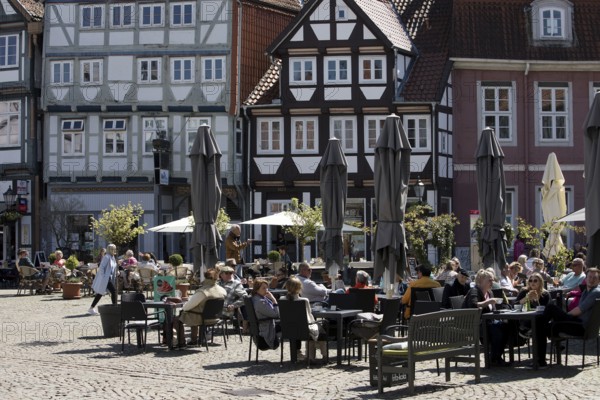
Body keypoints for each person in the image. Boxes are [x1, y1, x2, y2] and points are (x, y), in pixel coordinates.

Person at [533, 267, 600, 369]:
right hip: (578, 324)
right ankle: (540, 361)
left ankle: (540, 361)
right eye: (589, 277)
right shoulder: (587, 291)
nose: (591, 279)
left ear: (599, 280)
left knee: (550, 309)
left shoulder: (595, 292)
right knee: (541, 326)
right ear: (585, 278)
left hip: (580, 327)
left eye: (594, 278)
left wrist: (562, 316)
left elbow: (578, 310)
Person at [463, 269, 510, 366]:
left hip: (488, 322)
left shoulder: (490, 293)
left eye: (493, 280)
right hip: (475, 324)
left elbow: (491, 311)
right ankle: (493, 358)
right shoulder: (474, 291)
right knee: (497, 329)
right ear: (480, 280)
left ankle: (496, 356)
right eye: (489, 280)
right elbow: (474, 305)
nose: (492, 282)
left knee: (507, 326)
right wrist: (488, 302)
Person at [174, 268, 226, 346]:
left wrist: (183, 307)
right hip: (216, 317)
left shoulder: (203, 292)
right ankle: (193, 340)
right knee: (194, 312)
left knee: (177, 318)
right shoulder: (222, 290)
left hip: (202, 318)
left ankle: (181, 342)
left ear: (205, 277)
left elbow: (187, 307)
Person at [284, 276, 327, 363]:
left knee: (311, 330)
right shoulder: (304, 300)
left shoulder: (282, 300)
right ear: (300, 288)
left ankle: (310, 357)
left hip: (289, 329)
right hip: (304, 329)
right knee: (319, 329)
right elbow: (309, 316)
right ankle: (324, 355)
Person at [88, 244, 118, 315]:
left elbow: (113, 267)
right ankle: (115, 308)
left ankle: (91, 308)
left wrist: (117, 272)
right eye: (113, 249)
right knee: (113, 291)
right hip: (106, 278)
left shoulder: (111, 257)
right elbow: (101, 267)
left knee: (100, 293)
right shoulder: (107, 257)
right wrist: (104, 276)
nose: (114, 250)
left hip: (108, 277)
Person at [251, 278, 280, 350]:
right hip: (266, 328)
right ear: (257, 289)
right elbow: (276, 315)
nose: (266, 290)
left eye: (267, 288)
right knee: (291, 326)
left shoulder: (257, 298)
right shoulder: (260, 302)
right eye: (263, 288)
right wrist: (274, 299)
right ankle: (296, 353)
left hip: (266, 324)